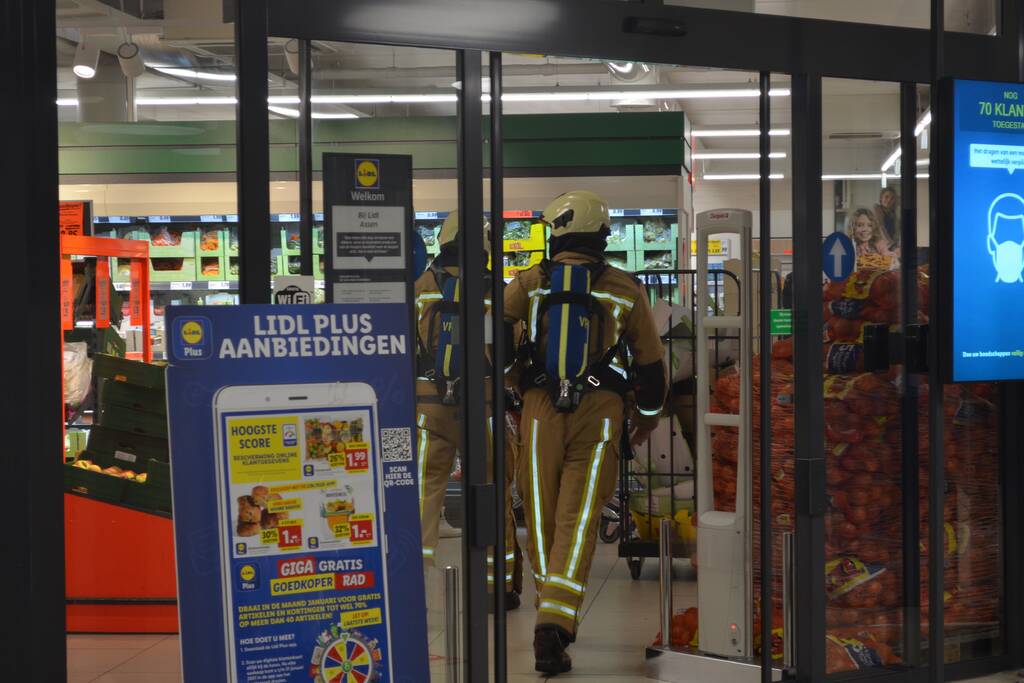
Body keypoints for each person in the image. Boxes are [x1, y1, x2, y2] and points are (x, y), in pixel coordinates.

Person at [504, 191, 666, 674]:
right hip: (600, 414)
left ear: (555, 231)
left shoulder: (528, 282)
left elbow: (493, 346)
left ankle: (547, 615)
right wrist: (648, 418)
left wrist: (517, 391)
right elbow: (652, 367)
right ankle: (553, 625)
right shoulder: (624, 287)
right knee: (576, 522)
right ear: (602, 235)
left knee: (542, 519)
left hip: (537, 410)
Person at [413, 210, 522, 607]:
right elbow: (508, 354)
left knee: (425, 495)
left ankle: (416, 583)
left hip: (429, 408)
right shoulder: (497, 289)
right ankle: (498, 584)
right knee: (492, 493)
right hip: (486, 409)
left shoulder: (422, 285)